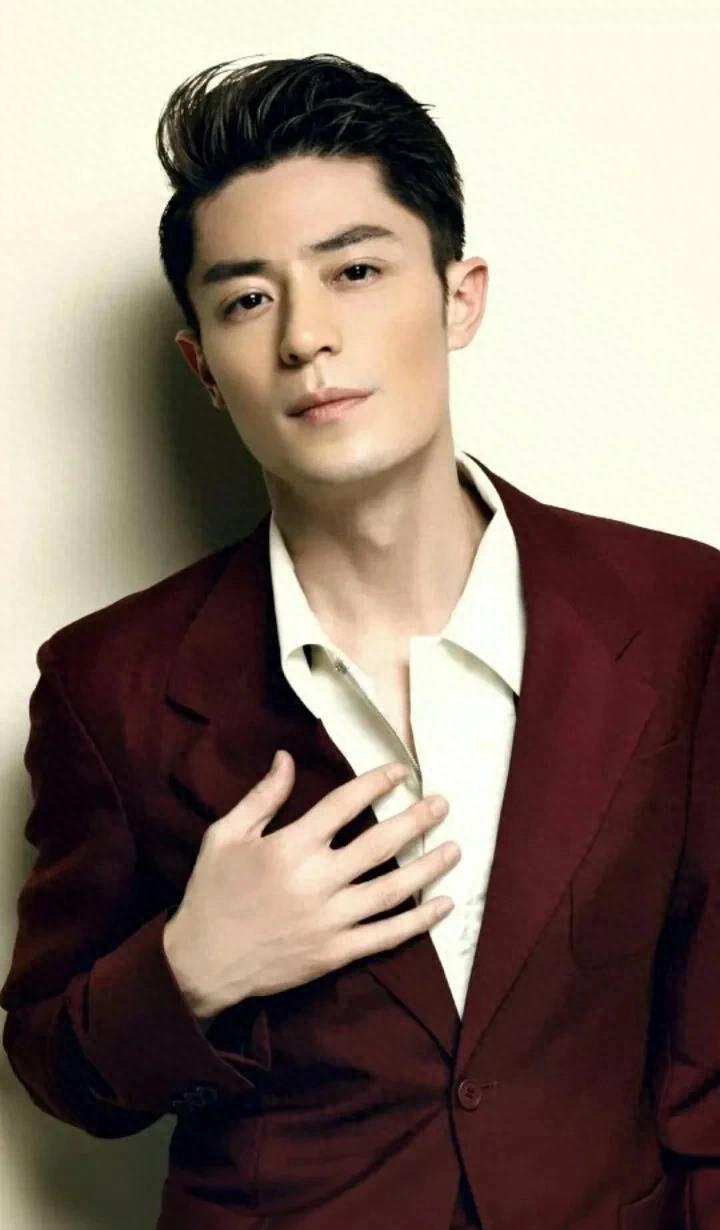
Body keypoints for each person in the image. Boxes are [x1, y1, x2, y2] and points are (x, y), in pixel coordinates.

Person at [2, 52, 720, 1230]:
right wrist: (193, 967)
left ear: (458, 297)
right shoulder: (109, 684)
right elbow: (55, 1065)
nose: (307, 338)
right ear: (203, 367)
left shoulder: (680, 611)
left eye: (355, 270)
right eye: (247, 299)